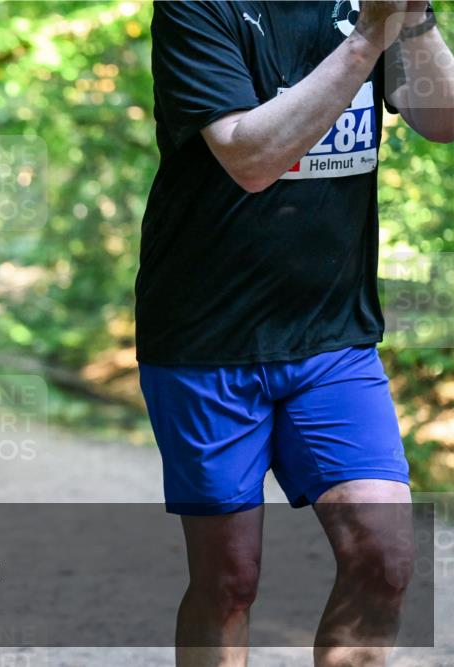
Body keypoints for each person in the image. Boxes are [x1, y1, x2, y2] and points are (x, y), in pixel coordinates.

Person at [136, 1, 452, 665]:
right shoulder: (198, 8)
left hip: (332, 337)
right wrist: (371, 34)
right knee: (228, 580)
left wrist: (413, 17)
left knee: (384, 557)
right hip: (206, 339)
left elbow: (441, 118)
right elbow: (251, 157)